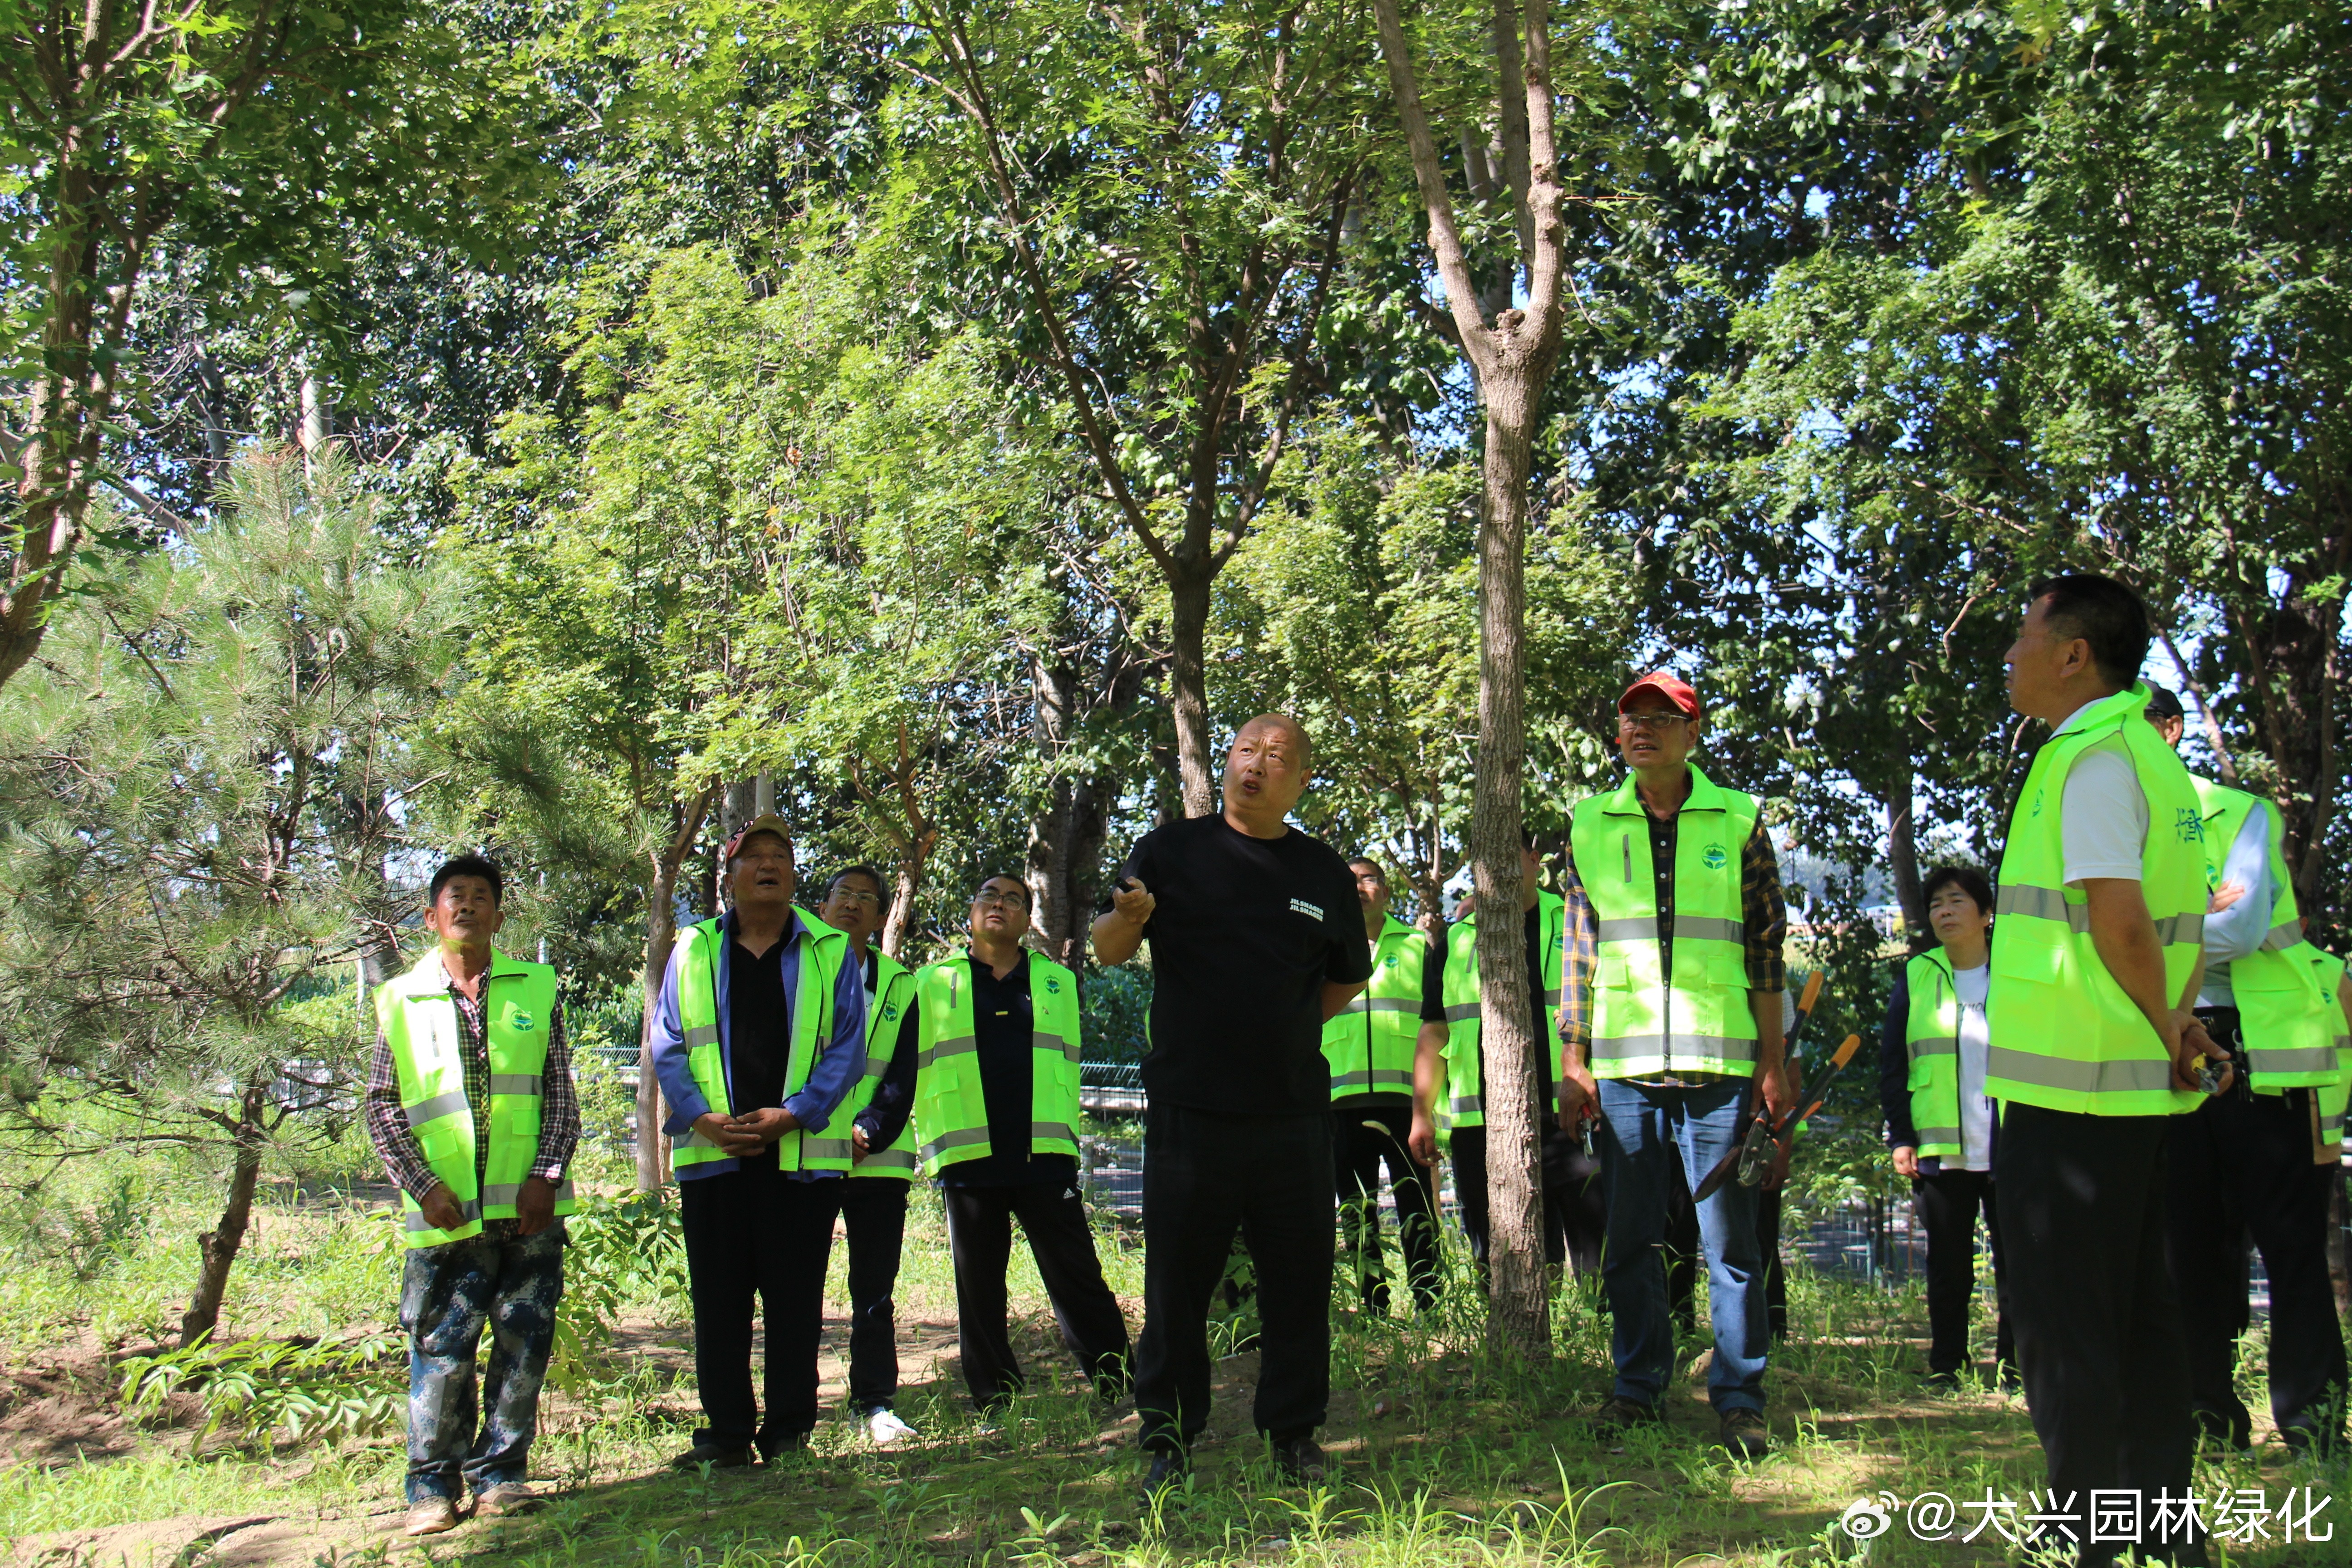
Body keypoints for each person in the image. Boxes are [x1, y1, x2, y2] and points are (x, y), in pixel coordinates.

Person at [1988, 574, 2220, 1568]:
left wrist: (2171, 1019)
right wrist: (2175, 1026)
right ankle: (2166, 1529)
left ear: (2074, 653)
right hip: (2123, 1085)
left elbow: (2119, 919)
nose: (2011, 653)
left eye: (2024, 636)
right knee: (2139, 1318)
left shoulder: (2089, 756)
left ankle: (2082, 1531)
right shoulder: (2151, 755)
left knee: (2062, 1324)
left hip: (2071, 1088)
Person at [1093, 714, 1372, 1497]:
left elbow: (1347, 974)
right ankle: (1167, 1440)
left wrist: (1283, 1026)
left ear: (1300, 778)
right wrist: (1131, 918)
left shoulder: (1321, 874)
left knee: (1298, 1282)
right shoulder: (1170, 851)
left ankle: (1293, 1436)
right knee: (1176, 1284)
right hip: (1190, 1108)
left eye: (1276, 755)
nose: (1257, 763)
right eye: (1246, 749)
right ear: (1226, 762)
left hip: (1289, 1113)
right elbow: (1106, 945)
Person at [1557, 669, 1790, 1460]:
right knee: (1626, 1241)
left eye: (1662, 718)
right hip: (1622, 1071)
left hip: (1720, 1067)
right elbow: (1576, 950)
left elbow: (1765, 949)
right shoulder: (1588, 823)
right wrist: (1572, 1058)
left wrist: (1773, 1061)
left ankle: (1738, 1397)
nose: (1641, 729)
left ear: (1693, 735)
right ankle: (1636, 1387)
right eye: (1630, 719)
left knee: (1729, 1244)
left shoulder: (1738, 819)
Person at [2141, 684, 2348, 1456]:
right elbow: (2130, 929)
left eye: (2135, 721)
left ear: (2168, 729)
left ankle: (2312, 1424)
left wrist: (2155, 925)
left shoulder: (2238, 810)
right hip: (2169, 1048)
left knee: (2289, 1247)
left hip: (2262, 1056)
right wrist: (2198, 911)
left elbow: (2243, 927)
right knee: (2185, 1247)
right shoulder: (2113, 820)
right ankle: (2203, 1416)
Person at [365, 853, 578, 1536]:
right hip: (446, 1214)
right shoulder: (401, 998)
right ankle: (431, 1487)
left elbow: (561, 1099)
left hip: (528, 1215)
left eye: (481, 896)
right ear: (432, 916)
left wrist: (545, 1177)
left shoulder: (535, 988)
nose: (467, 906)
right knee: (442, 1345)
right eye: (454, 897)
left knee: (524, 1340)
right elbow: (383, 1107)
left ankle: (501, 1477)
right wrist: (423, 1189)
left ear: (498, 914)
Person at [649, 814, 867, 1468]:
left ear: (794, 875)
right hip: (715, 1157)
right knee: (718, 1300)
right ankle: (725, 1435)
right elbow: (667, 1045)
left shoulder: (831, 950)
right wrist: (702, 1118)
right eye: (755, 857)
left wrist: (794, 1115)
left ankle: (790, 1432)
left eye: (781, 856)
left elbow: (847, 1051)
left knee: (795, 1297)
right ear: (731, 874)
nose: (768, 865)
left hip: (797, 1159)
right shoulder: (692, 949)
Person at [907, 872, 1131, 1417]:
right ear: (971, 911)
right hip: (968, 1155)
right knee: (979, 1284)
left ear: (1027, 917)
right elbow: (906, 1068)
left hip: (1044, 1154)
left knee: (1076, 1274)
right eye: (989, 895)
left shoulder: (1055, 981)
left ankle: (1120, 1380)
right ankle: (995, 1396)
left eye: (1014, 899)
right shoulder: (932, 982)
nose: (1000, 905)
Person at [1406, 834, 1597, 1280]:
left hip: (1569, 1114)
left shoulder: (1576, 921)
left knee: (1597, 1252)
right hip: (1485, 1127)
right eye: (1485, 862)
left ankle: (1601, 1339)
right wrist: (1421, 1114)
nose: (1500, 871)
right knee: (1499, 1264)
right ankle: (1513, 1347)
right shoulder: (1456, 941)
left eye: (1510, 857)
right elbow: (1435, 1031)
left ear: (1535, 861)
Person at [1876, 865, 2015, 1391]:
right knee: (1948, 1267)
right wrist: (1903, 1136)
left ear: (1986, 914)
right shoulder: (1917, 976)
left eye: (1957, 901)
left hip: (2010, 1144)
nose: (1945, 911)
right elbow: (1894, 1065)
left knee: (2017, 1266)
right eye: (1936, 904)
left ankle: (2015, 1369)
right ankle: (1947, 1367)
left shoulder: (2017, 970)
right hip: (1941, 1147)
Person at [815, 865, 923, 1446]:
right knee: (797, 1284)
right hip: (804, 1153)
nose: (852, 905)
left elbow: (901, 1072)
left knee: (874, 1288)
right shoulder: (797, 970)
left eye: (866, 899)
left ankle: (875, 1403)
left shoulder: (899, 983)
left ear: (883, 916)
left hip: (876, 1160)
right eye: (842, 895)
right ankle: (792, 1406)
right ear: (824, 905)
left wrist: (868, 1131)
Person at [1326, 857, 1440, 1313]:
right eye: (1349, 882)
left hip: (1405, 1104)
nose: (1358, 888)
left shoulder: (1418, 946)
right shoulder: (1324, 947)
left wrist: (1427, 1106)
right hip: (1340, 1103)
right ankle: (1372, 1303)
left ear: (1387, 891)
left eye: (1368, 879)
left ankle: (1430, 1300)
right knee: (1356, 1209)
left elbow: (1436, 1023)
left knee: (1418, 1207)